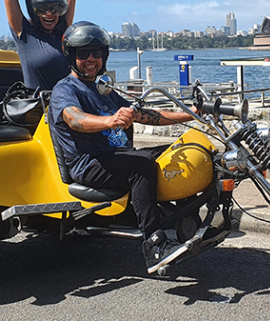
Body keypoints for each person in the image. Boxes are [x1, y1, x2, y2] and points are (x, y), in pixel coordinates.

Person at [49, 21, 197, 274]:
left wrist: (192, 113)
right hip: (89, 164)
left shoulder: (102, 89)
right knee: (140, 165)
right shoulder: (65, 89)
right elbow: (74, 118)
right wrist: (110, 120)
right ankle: (155, 246)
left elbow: (145, 115)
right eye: (83, 54)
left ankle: (180, 221)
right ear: (72, 56)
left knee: (180, 150)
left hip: (116, 157)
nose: (91, 59)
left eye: (96, 53)